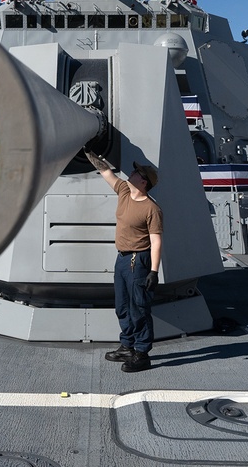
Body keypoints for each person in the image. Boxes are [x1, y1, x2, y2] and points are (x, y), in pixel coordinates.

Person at [86, 151, 163, 372]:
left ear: (144, 181)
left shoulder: (152, 209)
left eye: (136, 172)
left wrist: (153, 272)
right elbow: (106, 172)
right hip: (122, 259)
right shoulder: (123, 191)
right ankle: (127, 345)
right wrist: (89, 153)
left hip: (138, 261)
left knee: (139, 308)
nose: (131, 173)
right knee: (122, 306)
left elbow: (156, 241)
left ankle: (142, 353)